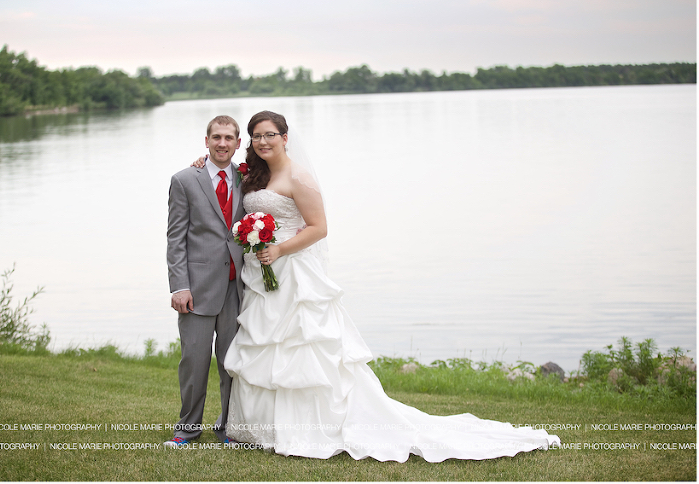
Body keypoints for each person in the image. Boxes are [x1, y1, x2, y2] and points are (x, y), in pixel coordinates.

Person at [199, 110, 560, 462]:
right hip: (259, 275)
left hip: (293, 272)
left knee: (300, 348)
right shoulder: (252, 174)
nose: (263, 141)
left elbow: (319, 228)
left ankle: (310, 427)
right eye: (257, 136)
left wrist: (279, 249)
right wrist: (204, 163)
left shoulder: (300, 177)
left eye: (270, 135)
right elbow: (223, 174)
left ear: (285, 137)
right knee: (265, 345)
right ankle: (262, 427)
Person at [164, 115, 246, 447]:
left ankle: (228, 427)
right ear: (207, 141)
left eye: (229, 138)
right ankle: (187, 429)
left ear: (238, 143)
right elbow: (175, 238)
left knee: (232, 364)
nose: (222, 143)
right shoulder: (185, 180)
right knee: (194, 362)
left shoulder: (247, 178)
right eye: (216, 137)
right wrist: (179, 286)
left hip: (237, 288)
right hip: (196, 289)